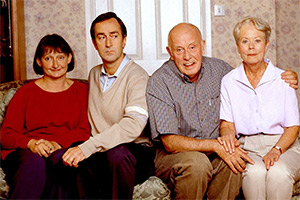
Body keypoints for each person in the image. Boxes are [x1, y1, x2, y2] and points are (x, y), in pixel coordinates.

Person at [146, 22, 299, 199]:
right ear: (170, 52)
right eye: (179, 50)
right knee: (198, 163)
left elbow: (251, 82)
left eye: (192, 47)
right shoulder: (159, 81)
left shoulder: (220, 71)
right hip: (176, 155)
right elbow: (170, 143)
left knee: (235, 162)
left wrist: (287, 77)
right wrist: (215, 145)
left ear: (203, 46)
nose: (187, 56)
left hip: (216, 151)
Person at [62, 12, 154, 199]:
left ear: (124, 40)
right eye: (101, 37)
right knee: (74, 158)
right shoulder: (94, 74)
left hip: (134, 152)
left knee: (116, 154)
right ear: (95, 44)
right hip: (102, 150)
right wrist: (82, 148)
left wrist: (88, 147)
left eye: (114, 36)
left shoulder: (138, 77)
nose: (108, 43)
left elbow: (132, 126)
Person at [0, 34, 91, 199]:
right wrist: (31, 144)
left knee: (65, 162)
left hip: (63, 150)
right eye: (48, 58)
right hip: (27, 153)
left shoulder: (82, 91)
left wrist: (57, 143)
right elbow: (6, 134)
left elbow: (85, 130)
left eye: (61, 57)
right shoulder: (25, 93)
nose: (55, 64)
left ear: (69, 58)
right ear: (39, 62)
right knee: (35, 164)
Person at [218, 17, 300, 200]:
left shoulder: (284, 79)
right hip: (249, 147)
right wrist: (229, 140)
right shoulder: (229, 81)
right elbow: (227, 124)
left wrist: (276, 150)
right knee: (254, 174)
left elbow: (293, 127)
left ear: (267, 44)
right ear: (238, 47)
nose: (251, 47)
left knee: (278, 172)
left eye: (257, 41)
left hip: (284, 146)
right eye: (245, 41)